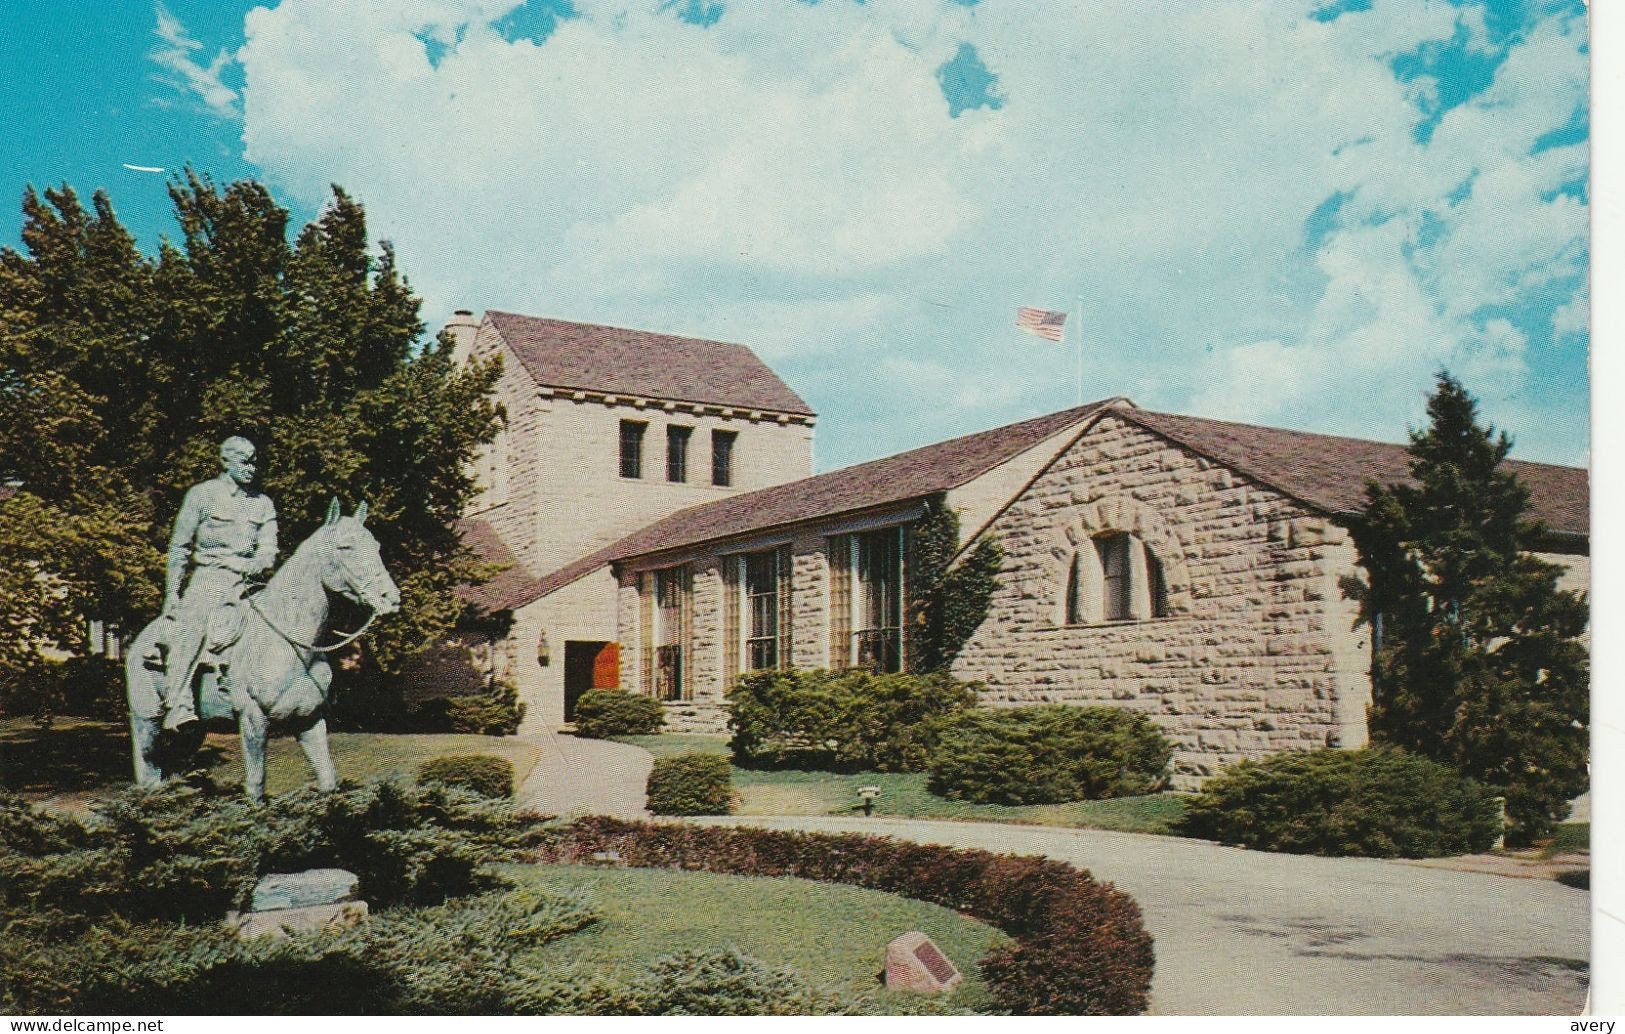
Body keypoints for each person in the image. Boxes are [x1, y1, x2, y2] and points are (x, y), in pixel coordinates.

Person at [150, 436, 278, 729]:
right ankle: (177, 704)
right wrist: (172, 593)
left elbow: (269, 551)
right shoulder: (201, 495)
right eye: (245, 461)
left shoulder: (263, 504)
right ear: (225, 461)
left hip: (249, 582)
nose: (252, 468)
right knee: (191, 627)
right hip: (209, 579)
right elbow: (179, 547)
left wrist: (250, 565)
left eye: (254, 461)